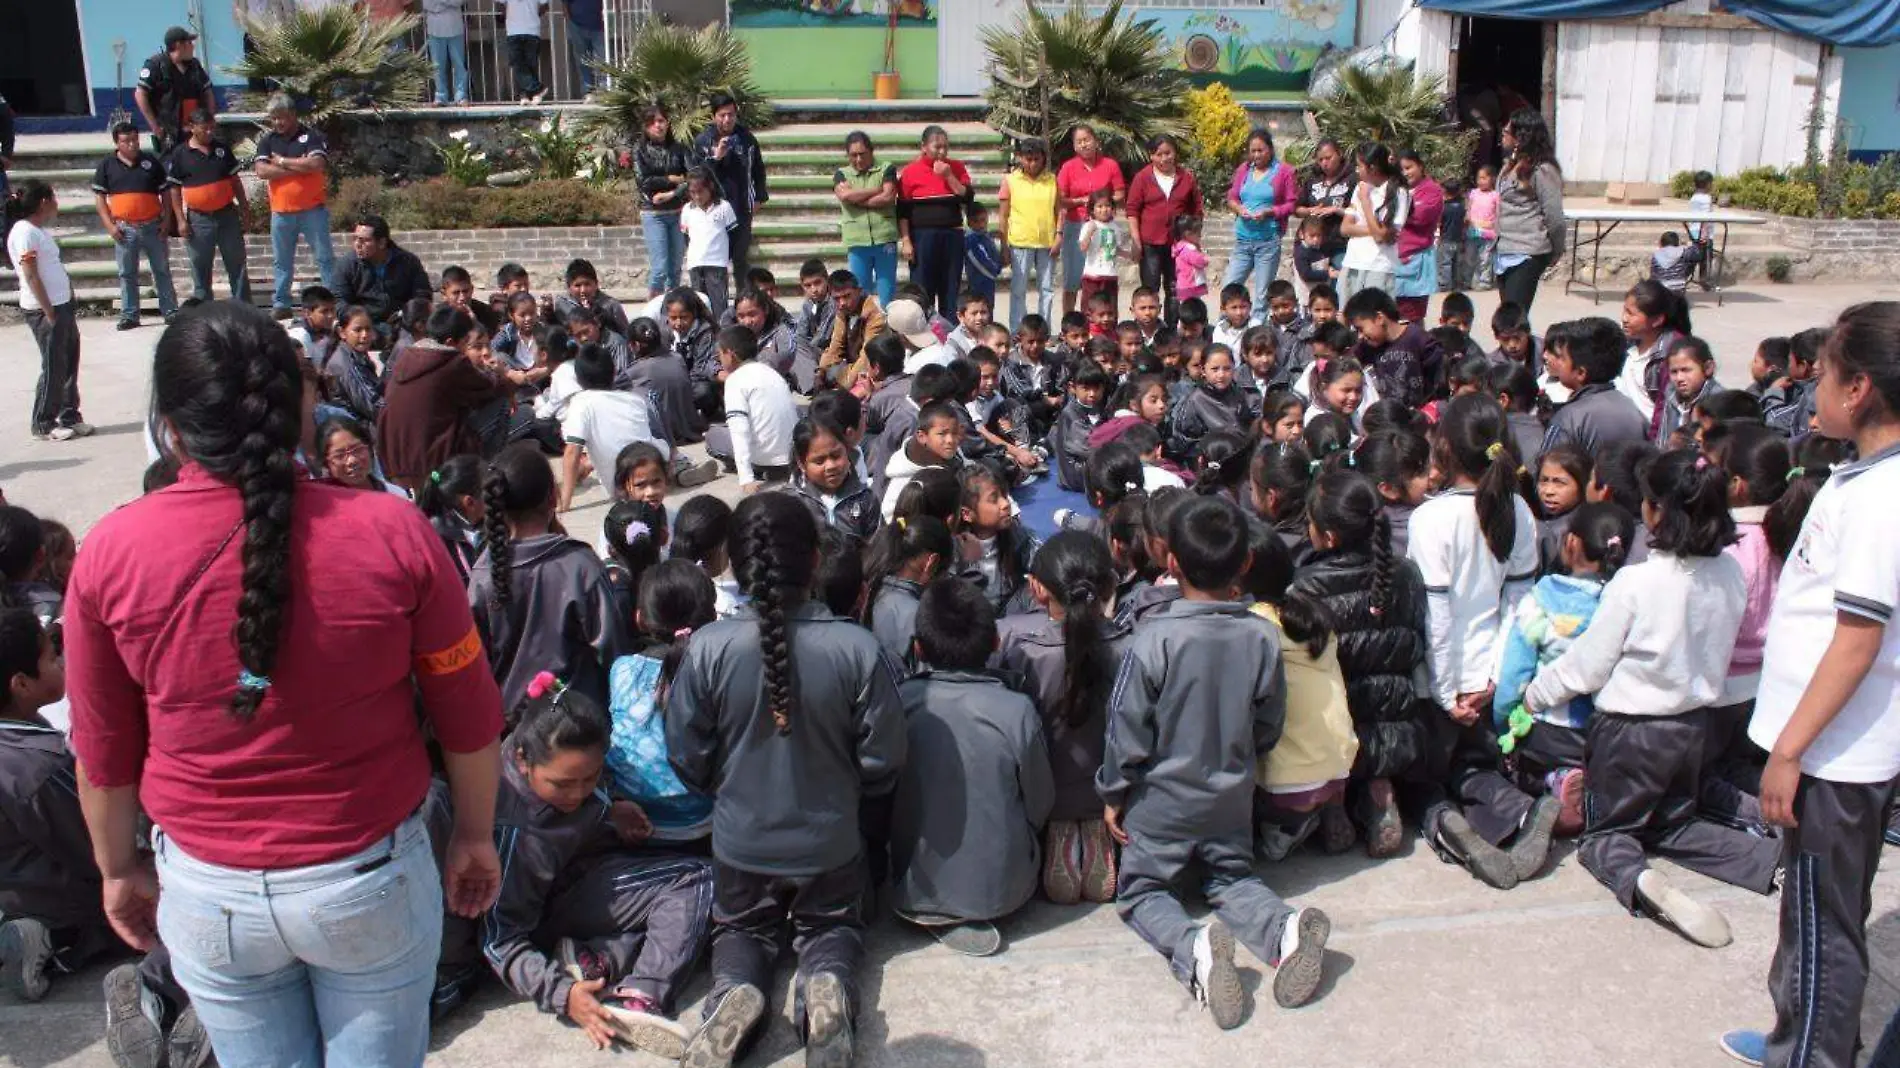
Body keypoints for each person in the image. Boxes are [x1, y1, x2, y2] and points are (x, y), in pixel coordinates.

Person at [65, 303, 505, 1068]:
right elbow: (469, 716)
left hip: (208, 890)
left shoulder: (110, 552)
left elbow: (103, 752)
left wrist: (116, 869)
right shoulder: (392, 532)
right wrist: (471, 835)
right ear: (306, 405)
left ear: (171, 427)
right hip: (368, 878)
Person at [1717, 304, 1900, 1068]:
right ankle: (1800, 1036)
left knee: (1825, 926)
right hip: (1831, 744)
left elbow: (1858, 641)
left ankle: (1814, 1056)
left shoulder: (1881, 499)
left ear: (1857, 387)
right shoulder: (1864, 477)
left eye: (1822, 374)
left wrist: (1789, 751)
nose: (1813, 387)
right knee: (1815, 912)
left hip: (1834, 755)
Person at [664, 493, 905, 1068]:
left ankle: (737, 994)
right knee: (833, 928)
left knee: (741, 933)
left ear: (731, 564)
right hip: (831, 844)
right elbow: (884, 759)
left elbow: (685, 755)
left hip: (740, 845)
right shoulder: (856, 646)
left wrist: (728, 790)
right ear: (817, 559)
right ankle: (826, 984)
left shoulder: (707, 648)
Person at [1523, 449, 1779, 944]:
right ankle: (1770, 860)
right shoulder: (1728, 572)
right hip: (1692, 727)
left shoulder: (1635, 582)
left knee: (1605, 836)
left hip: (1630, 734)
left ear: (1656, 511)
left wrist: (1536, 695)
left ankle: (1638, 880)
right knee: (1672, 822)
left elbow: (1588, 666)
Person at [1099, 496, 1331, 1029]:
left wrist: (1114, 793)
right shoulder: (1260, 635)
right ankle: (1284, 931)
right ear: (1245, 564)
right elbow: (1270, 720)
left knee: (1143, 892)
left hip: (1162, 802)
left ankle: (1196, 947)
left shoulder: (1154, 639)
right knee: (1230, 878)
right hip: (1231, 794)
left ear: (1171, 561)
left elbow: (1126, 730)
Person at [475, 678, 711, 1055]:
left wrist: (610, 809)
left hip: (582, 875)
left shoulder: (543, 750)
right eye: (564, 784)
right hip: (552, 909)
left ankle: (594, 961)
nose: (578, 793)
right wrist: (562, 995)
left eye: (590, 779)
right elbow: (498, 940)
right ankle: (640, 994)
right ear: (523, 761)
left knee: (679, 911)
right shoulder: (515, 833)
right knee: (696, 880)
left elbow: (586, 794)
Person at [1408, 395, 1544, 890]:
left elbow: (1436, 618)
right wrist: (1493, 678)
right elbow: (1520, 604)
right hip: (1489, 682)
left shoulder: (1432, 519)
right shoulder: (1520, 512)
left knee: (1422, 783)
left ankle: (1447, 825)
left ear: (1442, 448)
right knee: (1474, 765)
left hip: (1440, 684)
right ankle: (1520, 810)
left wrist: (1446, 694)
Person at [890, 579, 1053, 955]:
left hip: (910, 888)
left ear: (918, 647)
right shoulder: (1017, 710)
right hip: (1004, 892)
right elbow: (1040, 803)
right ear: (996, 642)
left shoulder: (901, 703)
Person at [1289, 469, 1431, 856]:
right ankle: (1379, 790)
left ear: (1329, 536)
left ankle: (1334, 805)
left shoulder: (1305, 585)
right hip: (1398, 718)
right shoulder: (1404, 573)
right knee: (1374, 760)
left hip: (1337, 724)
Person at [995, 531, 1125, 905]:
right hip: (1108, 789)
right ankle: (1094, 831)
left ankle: (1062, 835)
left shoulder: (1014, 642)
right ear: (1109, 584)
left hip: (1044, 792)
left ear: (1036, 589)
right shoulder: (1131, 645)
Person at [471, 442, 629, 715]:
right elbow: (614, 654)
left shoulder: (481, 573)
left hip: (513, 729)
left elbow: (476, 664)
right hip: (579, 727)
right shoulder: (580, 565)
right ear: (553, 497)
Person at [378, 306, 510, 492]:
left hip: (393, 459)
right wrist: (499, 373)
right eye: (466, 342)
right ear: (450, 342)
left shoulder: (407, 355)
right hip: (430, 465)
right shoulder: (451, 361)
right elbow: (489, 387)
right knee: (500, 405)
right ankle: (479, 478)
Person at [5, 181, 89, 442]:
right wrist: (48, 310)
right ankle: (43, 421)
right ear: (43, 202)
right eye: (53, 197)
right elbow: (31, 275)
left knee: (69, 361)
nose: (56, 202)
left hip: (62, 304)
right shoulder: (24, 232)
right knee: (53, 366)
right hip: (46, 310)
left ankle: (69, 415)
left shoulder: (38, 231)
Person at [559, 344, 669, 512]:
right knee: (661, 446)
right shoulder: (634, 400)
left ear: (578, 379)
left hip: (624, 486)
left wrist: (564, 502)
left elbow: (572, 451)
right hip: (654, 466)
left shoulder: (581, 403)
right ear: (614, 372)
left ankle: (677, 466)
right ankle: (678, 467)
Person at [253, 95, 336, 317]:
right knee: (282, 262)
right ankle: (282, 304)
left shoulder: (311, 136)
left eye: (282, 118)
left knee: (325, 258)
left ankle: (331, 300)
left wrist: (281, 162)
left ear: (293, 115)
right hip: (281, 212)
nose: (278, 123)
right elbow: (261, 171)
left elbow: (317, 164)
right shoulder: (268, 140)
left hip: (312, 211)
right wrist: (300, 166)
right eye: (274, 118)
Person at [93, 121, 178, 330]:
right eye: (126, 141)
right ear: (117, 143)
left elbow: (165, 194)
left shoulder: (150, 162)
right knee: (127, 273)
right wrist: (110, 226)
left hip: (153, 227)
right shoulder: (107, 165)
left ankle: (170, 311)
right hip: (124, 229)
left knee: (162, 270)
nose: (131, 145)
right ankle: (130, 314)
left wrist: (167, 220)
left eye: (134, 140)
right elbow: (100, 199)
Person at [164, 107, 250, 306]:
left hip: (227, 215)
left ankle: (243, 306)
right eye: (205, 129)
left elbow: (235, 182)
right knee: (200, 266)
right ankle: (203, 308)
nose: (210, 132)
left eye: (212, 128)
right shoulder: (180, 154)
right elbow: (174, 189)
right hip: (199, 219)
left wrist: (244, 209)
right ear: (192, 128)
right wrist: (181, 220)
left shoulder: (222, 149)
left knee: (237, 263)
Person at [705, 325, 797, 492]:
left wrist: (746, 478)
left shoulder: (735, 380)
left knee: (713, 436)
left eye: (720, 354)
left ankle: (759, 470)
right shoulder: (772, 373)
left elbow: (739, 430)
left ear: (730, 355)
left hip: (765, 461)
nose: (719, 359)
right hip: (791, 458)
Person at [1541, 317, 1648, 458]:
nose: (1547, 357)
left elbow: (1548, 470)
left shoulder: (1568, 419)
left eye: (1562, 358)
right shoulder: (1634, 411)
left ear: (1580, 373)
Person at [1493, 108, 1566, 312]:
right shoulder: (1508, 166)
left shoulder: (1543, 170)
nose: (1503, 134)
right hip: (1505, 248)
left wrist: (1557, 249)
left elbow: (1555, 217)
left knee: (1515, 318)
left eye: (1507, 132)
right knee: (1508, 315)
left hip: (1528, 251)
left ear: (1520, 137)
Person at [1220, 129, 1298, 318]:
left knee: (1262, 294)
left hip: (1268, 242)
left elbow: (1292, 203)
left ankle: (1257, 334)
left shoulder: (1284, 172)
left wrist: (1271, 212)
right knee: (1230, 286)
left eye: (1260, 150)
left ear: (1270, 149)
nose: (1256, 155)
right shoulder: (1244, 170)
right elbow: (1232, 197)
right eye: (1252, 151)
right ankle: (1226, 329)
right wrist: (1239, 210)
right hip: (1243, 240)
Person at [1125, 135, 1201, 325]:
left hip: (1177, 246)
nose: (1164, 159)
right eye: (1159, 154)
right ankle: (1148, 328)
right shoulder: (1142, 178)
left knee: (1175, 288)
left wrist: (1194, 241)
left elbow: (1196, 211)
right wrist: (1136, 241)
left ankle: (1170, 330)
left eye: (1168, 153)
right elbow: (1132, 211)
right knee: (1150, 289)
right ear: (1151, 156)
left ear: (1175, 153)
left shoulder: (1186, 178)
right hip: (1150, 243)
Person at [693, 94, 768, 286]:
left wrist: (759, 197)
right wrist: (716, 157)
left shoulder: (747, 138)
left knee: (740, 259)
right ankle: (718, 304)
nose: (727, 119)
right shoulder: (703, 141)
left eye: (731, 115)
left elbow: (758, 169)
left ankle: (743, 302)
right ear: (713, 116)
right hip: (715, 211)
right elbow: (698, 175)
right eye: (722, 115)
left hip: (741, 208)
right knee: (718, 262)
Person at [1056, 124, 1127, 314]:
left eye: (1087, 139)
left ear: (1096, 141)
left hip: (1103, 226)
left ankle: (1104, 322)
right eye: (1079, 142)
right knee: (1072, 279)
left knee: (1100, 277)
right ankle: (1069, 324)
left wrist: (1102, 204)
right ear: (1074, 146)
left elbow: (1120, 193)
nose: (1084, 144)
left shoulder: (1110, 165)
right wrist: (1081, 201)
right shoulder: (1068, 167)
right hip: (1076, 225)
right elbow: (1060, 199)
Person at [1616, 279, 1694, 439]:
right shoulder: (1629, 343)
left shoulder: (1672, 355)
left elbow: (1666, 412)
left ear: (1657, 320)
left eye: (1631, 314)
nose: (1624, 318)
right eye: (1624, 311)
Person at [337, 214, 433, 341]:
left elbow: (422, 295)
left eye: (365, 240)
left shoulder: (408, 262)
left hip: (403, 326)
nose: (357, 244)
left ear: (382, 243)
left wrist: (405, 315)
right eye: (355, 239)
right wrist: (360, 321)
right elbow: (339, 300)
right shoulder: (347, 265)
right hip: (364, 329)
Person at [998, 137, 1061, 331]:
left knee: (1047, 289)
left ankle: (1044, 329)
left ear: (1043, 158)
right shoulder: (1010, 180)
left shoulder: (1052, 180)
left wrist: (1059, 235)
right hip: (1020, 242)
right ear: (1020, 158)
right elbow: (1003, 215)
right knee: (1018, 290)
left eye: (1036, 159)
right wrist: (1004, 245)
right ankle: (1018, 330)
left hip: (1046, 242)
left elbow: (1059, 211)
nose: (1032, 163)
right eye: (1028, 159)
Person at [630, 105, 692, 296]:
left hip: (677, 212)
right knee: (660, 269)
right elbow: (644, 182)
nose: (658, 126)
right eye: (653, 122)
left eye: (661, 121)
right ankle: (654, 312)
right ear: (646, 126)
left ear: (668, 123)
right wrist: (671, 179)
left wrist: (672, 193)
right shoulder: (640, 150)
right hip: (653, 214)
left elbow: (692, 178)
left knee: (675, 268)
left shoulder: (679, 149)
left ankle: (674, 309)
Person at [834, 131, 900, 307]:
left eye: (862, 154)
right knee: (860, 293)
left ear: (871, 151)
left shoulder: (886, 168)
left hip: (885, 239)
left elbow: (888, 197)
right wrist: (876, 190)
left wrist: (857, 199)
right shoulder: (841, 174)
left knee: (888, 292)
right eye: (853, 155)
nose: (858, 159)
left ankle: (889, 331)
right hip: (857, 240)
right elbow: (845, 197)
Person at [1338, 143, 1408, 302]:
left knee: (1374, 317)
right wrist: (1377, 230)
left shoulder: (1398, 192)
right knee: (1346, 312)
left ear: (1373, 168)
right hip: (1353, 261)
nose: (1357, 170)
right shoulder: (1360, 187)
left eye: (1359, 166)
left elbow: (1380, 238)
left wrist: (1366, 203)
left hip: (1378, 265)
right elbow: (1345, 228)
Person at [134, 27, 214, 156]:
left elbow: (208, 91)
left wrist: (210, 119)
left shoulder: (194, 66)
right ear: (179, 45)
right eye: (189, 43)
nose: (193, 47)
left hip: (194, 130)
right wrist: (155, 127)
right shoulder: (156, 65)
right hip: (170, 133)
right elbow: (140, 94)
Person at [1291, 138, 1354, 303]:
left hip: (1340, 244)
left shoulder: (1352, 179)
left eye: (1328, 157)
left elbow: (1358, 212)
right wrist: (1310, 211)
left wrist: (1337, 210)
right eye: (1320, 160)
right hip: (1313, 246)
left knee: (1342, 283)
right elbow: (1297, 208)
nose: (1324, 163)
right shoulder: (1313, 180)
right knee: (1311, 288)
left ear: (1339, 154)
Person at [1392, 150, 1444, 324]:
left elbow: (1420, 217)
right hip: (1392, 258)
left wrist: (1397, 207)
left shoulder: (1432, 190)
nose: (1405, 173)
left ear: (1420, 166)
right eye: (1401, 170)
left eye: (1409, 167)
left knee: (1412, 318)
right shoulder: (1395, 190)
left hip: (1416, 260)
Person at [680, 166, 738, 320]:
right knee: (699, 305)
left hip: (717, 263)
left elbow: (733, 234)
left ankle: (721, 336)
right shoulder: (687, 210)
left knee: (719, 305)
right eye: (693, 193)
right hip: (695, 263)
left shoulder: (723, 207)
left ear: (710, 187)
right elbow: (686, 237)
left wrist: (725, 256)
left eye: (700, 192)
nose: (697, 197)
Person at [422, 0, 471, 106]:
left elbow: (459, 2)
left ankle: (461, 96)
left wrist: (440, 3)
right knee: (437, 66)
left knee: (459, 65)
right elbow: (427, 4)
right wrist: (448, 3)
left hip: (455, 27)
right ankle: (440, 96)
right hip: (435, 28)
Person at [503, 0, 549, 104]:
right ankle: (536, 90)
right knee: (517, 64)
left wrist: (532, 15)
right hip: (513, 30)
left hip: (532, 30)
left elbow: (545, 5)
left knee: (530, 65)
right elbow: (500, 4)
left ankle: (532, 95)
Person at [1464, 165, 1500, 290]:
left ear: (1492, 179)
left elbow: (1498, 213)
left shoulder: (1495, 195)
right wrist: (1467, 220)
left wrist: (1495, 225)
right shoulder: (1473, 193)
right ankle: (1469, 280)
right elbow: (1468, 209)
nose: (1481, 181)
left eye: (1484, 178)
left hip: (1487, 233)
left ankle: (1485, 281)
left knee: (1485, 258)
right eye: (1479, 178)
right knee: (1470, 258)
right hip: (1472, 231)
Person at [564, 0, 606, 99]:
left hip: (598, 25)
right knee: (583, 60)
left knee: (602, 58)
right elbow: (565, 5)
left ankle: (603, 90)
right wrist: (570, 22)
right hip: (577, 25)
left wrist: (616, 9)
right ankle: (588, 92)